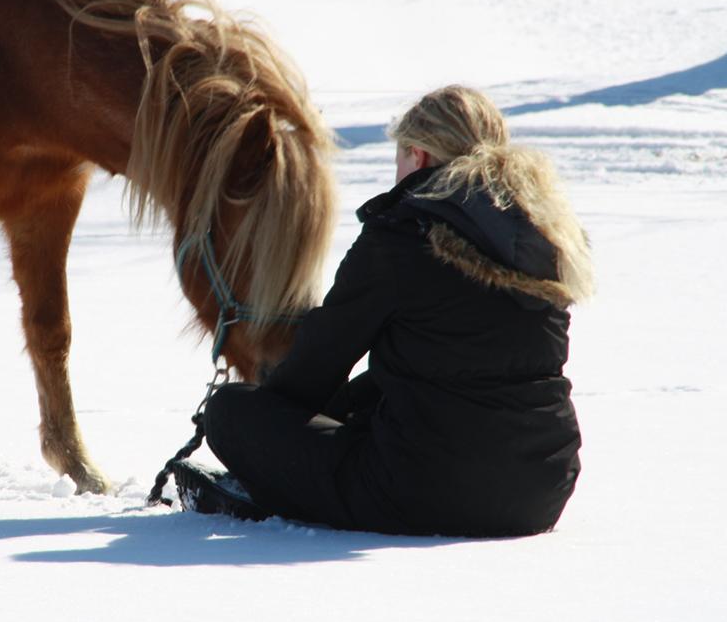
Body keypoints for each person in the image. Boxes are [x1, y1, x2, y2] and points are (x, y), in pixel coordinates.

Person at [171, 85, 593, 537]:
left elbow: (315, 366)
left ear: (419, 155)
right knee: (376, 389)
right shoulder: (542, 238)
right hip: (541, 491)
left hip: (424, 493)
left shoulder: (402, 235)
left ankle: (281, 495)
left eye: (399, 157)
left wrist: (268, 424)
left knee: (232, 413)